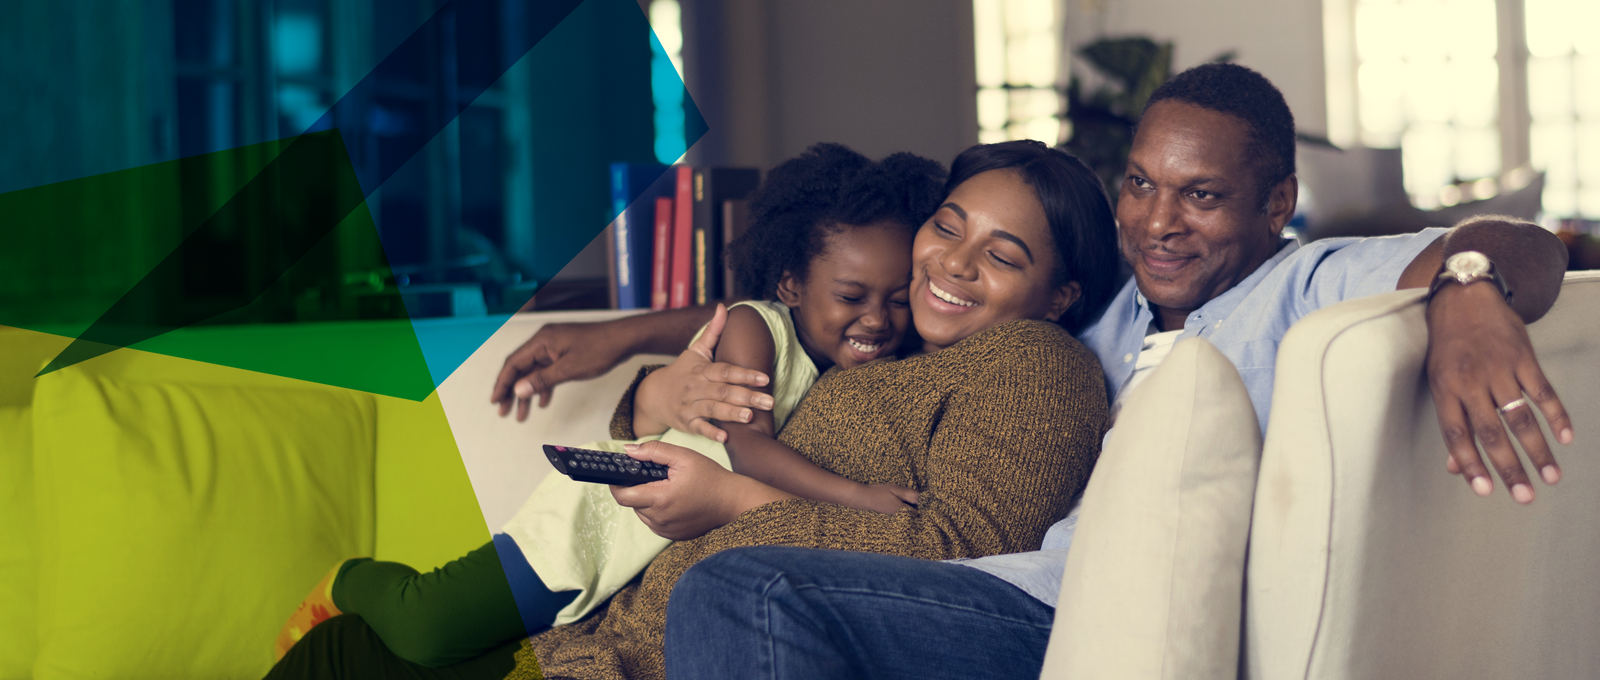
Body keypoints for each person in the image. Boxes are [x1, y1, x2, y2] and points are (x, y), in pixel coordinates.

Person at [493, 64, 1573, 679]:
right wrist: (634, 336)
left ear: (1274, 204)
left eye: (1201, 195)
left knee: (747, 584)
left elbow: (1532, 239)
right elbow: (867, 308)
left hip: (1070, 611)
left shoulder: (1303, 284)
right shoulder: (1093, 302)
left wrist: (1470, 288)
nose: (1159, 220)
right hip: (989, 586)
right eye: (1142, 185)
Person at [268, 139, 1122, 679]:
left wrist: (733, 501)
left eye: (1002, 255)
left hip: (643, 648)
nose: (953, 265)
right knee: (343, 654)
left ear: (1061, 296)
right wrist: (640, 373)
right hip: (607, 622)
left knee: (358, 655)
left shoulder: (1032, 365)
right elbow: (764, 328)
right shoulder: (883, 347)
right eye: (948, 225)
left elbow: (954, 554)